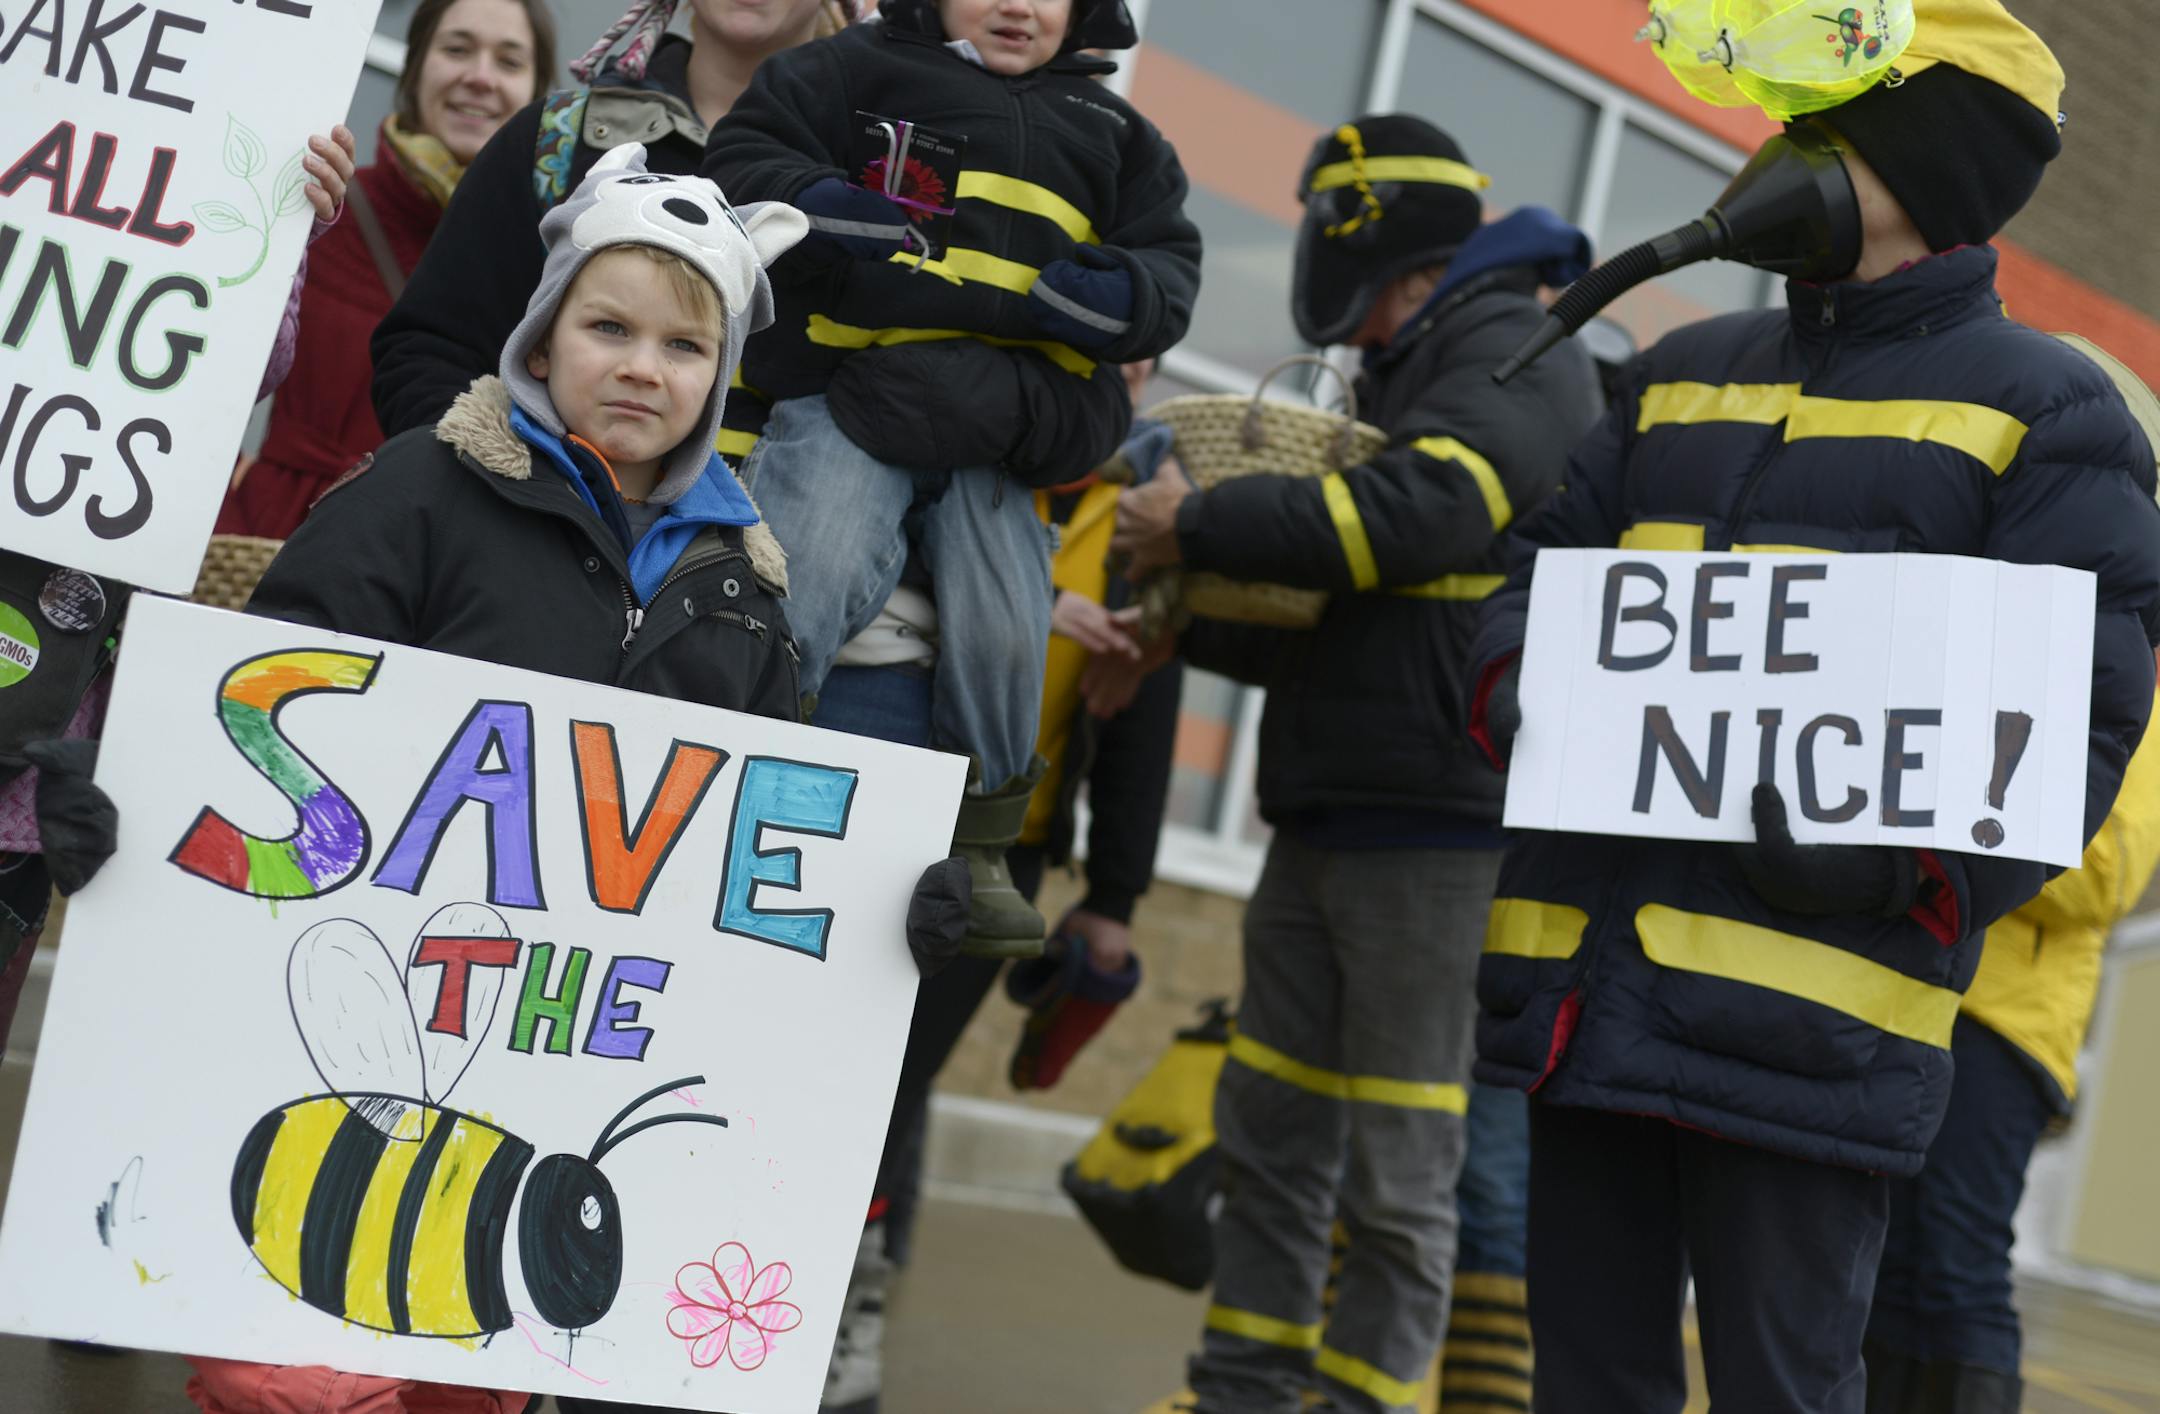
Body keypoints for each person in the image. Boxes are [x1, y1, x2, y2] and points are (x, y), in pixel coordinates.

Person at [193, 147, 971, 1414]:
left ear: (719, 379)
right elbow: (262, 716)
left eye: (681, 346)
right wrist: (148, 812)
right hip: (343, 1050)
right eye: (608, 326)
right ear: (543, 336)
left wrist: (886, 912)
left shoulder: (747, 591)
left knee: (473, 1378)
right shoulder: (419, 493)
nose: (641, 366)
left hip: (544, 1099)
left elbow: (756, 869)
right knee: (284, 1381)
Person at [1466, 6, 2160, 1410]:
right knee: (1586, 1387)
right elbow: (1535, 579)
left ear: (1937, 169)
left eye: (1832, 133)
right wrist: (1520, 691)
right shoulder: (1678, 370)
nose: (1786, 156)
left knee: (1784, 1387)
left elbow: (2075, 722)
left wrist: (1895, 863)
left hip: (1807, 1037)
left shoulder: (2048, 411)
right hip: (1581, 1002)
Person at [1113, 116, 1599, 1414]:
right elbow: (1357, 622)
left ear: (1369, 238)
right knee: (1272, 1139)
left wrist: (1195, 518)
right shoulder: (1414, 361)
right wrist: (1175, 634)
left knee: (1399, 1166)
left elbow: (1422, 514)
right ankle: (1245, 1388)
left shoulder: (1514, 347)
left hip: (1439, 832)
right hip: (1329, 811)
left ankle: (1363, 1397)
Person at [703, 0, 1202, 954]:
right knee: (806, 558)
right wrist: (820, 204)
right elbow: (748, 156)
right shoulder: (850, 69)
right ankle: (738, 755)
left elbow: (1171, 261)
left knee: (1010, 634)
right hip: (850, 396)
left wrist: (1126, 295)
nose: (1019, 4)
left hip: (1001, 445)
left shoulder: (1119, 134)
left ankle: (978, 845)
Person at [1866, 350, 2160, 1413]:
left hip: (2005, 1020)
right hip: (1924, 987)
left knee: (1950, 1265)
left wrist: (1944, 823)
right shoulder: (1984, 623)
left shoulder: (2134, 658)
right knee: (1883, 1267)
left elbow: (2108, 871)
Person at [216, 0, 557, 539]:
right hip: (272, 539)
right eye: (457, 49)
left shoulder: (555, 255)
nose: (480, 77)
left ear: (542, 92)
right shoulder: (322, 203)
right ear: (416, 65)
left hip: (435, 560)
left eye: (510, 62)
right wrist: (228, 501)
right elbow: (207, 363)